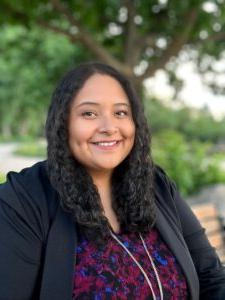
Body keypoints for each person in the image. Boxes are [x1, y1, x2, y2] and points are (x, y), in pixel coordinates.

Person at [0, 62, 225, 300]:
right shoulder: (21, 201)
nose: (109, 127)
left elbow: (210, 277)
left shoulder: (156, 185)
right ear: (62, 123)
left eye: (120, 113)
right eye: (89, 113)